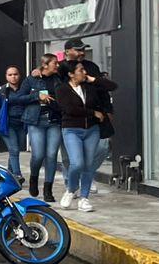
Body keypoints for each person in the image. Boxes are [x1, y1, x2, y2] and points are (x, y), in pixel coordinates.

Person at [53, 58, 117, 213]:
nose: (84, 72)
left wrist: (93, 79)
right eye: (80, 70)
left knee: (88, 165)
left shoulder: (89, 86)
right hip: (72, 130)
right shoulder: (61, 89)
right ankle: (71, 189)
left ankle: (84, 198)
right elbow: (70, 109)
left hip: (92, 130)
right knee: (77, 163)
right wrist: (92, 112)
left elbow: (112, 86)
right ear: (71, 74)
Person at [23, 54, 63, 201]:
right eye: (54, 63)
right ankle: (34, 178)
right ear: (45, 65)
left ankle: (48, 189)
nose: (57, 65)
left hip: (54, 120)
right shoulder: (32, 79)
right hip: (36, 121)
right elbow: (18, 98)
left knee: (51, 155)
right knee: (38, 155)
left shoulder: (59, 78)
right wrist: (36, 96)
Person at [0, 65, 33, 183]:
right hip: (7, 125)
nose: (13, 77)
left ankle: (8, 175)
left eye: (15, 74)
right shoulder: (2, 90)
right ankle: (17, 175)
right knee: (14, 149)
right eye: (10, 75)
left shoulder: (25, 89)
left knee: (15, 150)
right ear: (6, 76)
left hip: (21, 124)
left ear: (19, 75)